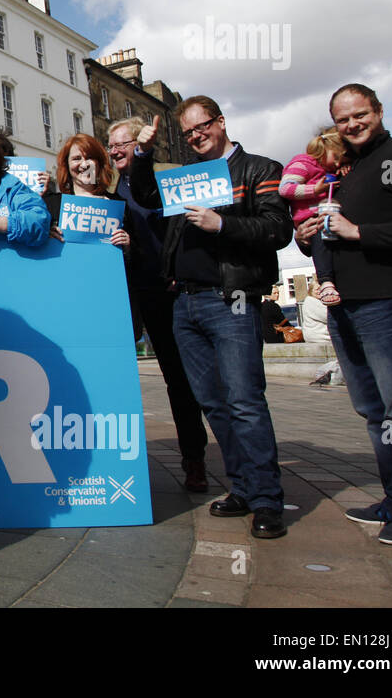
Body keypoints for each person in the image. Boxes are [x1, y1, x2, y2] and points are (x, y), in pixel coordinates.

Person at [129, 96, 292, 539]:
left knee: (244, 400)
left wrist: (223, 225)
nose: (196, 136)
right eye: (188, 133)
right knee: (214, 403)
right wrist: (143, 153)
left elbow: (278, 229)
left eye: (202, 127)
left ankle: (266, 501)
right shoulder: (188, 177)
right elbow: (144, 193)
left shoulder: (258, 169)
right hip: (185, 301)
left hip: (232, 299)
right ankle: (241, 487)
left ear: (220, 122)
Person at [294, 83, 392, 544]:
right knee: (374, 411)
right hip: (347, 306)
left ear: (377, 111)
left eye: (360, 115)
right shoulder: (349, 171)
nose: (352, 124)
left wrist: (359, 231)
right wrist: (310, 236)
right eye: (343, 119)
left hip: (390, 300)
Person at [108, 116, 209, 492]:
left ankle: (207, 457)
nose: (116, 150)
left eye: (124, 142)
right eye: (112, 145)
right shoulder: (109, 190)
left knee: (191, 380)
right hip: (136, 293)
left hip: (176, 290)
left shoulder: (170, 178)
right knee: (152, 378)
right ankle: (185, 459)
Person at [279, 129, 345, 304]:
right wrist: (314, 190)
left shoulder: (329, 168)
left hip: (327, 213)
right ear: (325, 149)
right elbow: (285, 188)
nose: (338, 163)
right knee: (321, 243)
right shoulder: (303, 163)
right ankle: (326, 281)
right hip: (310, 217)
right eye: (336, 157)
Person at [42, 133, 131, 252]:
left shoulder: (118, 204)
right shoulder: (51, 204)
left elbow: (139, 256)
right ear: (67, 165)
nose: (84, 165)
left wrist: (127, 245)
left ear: (99, 163)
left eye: (90, 157)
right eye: (76, 159)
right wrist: (45, 236)